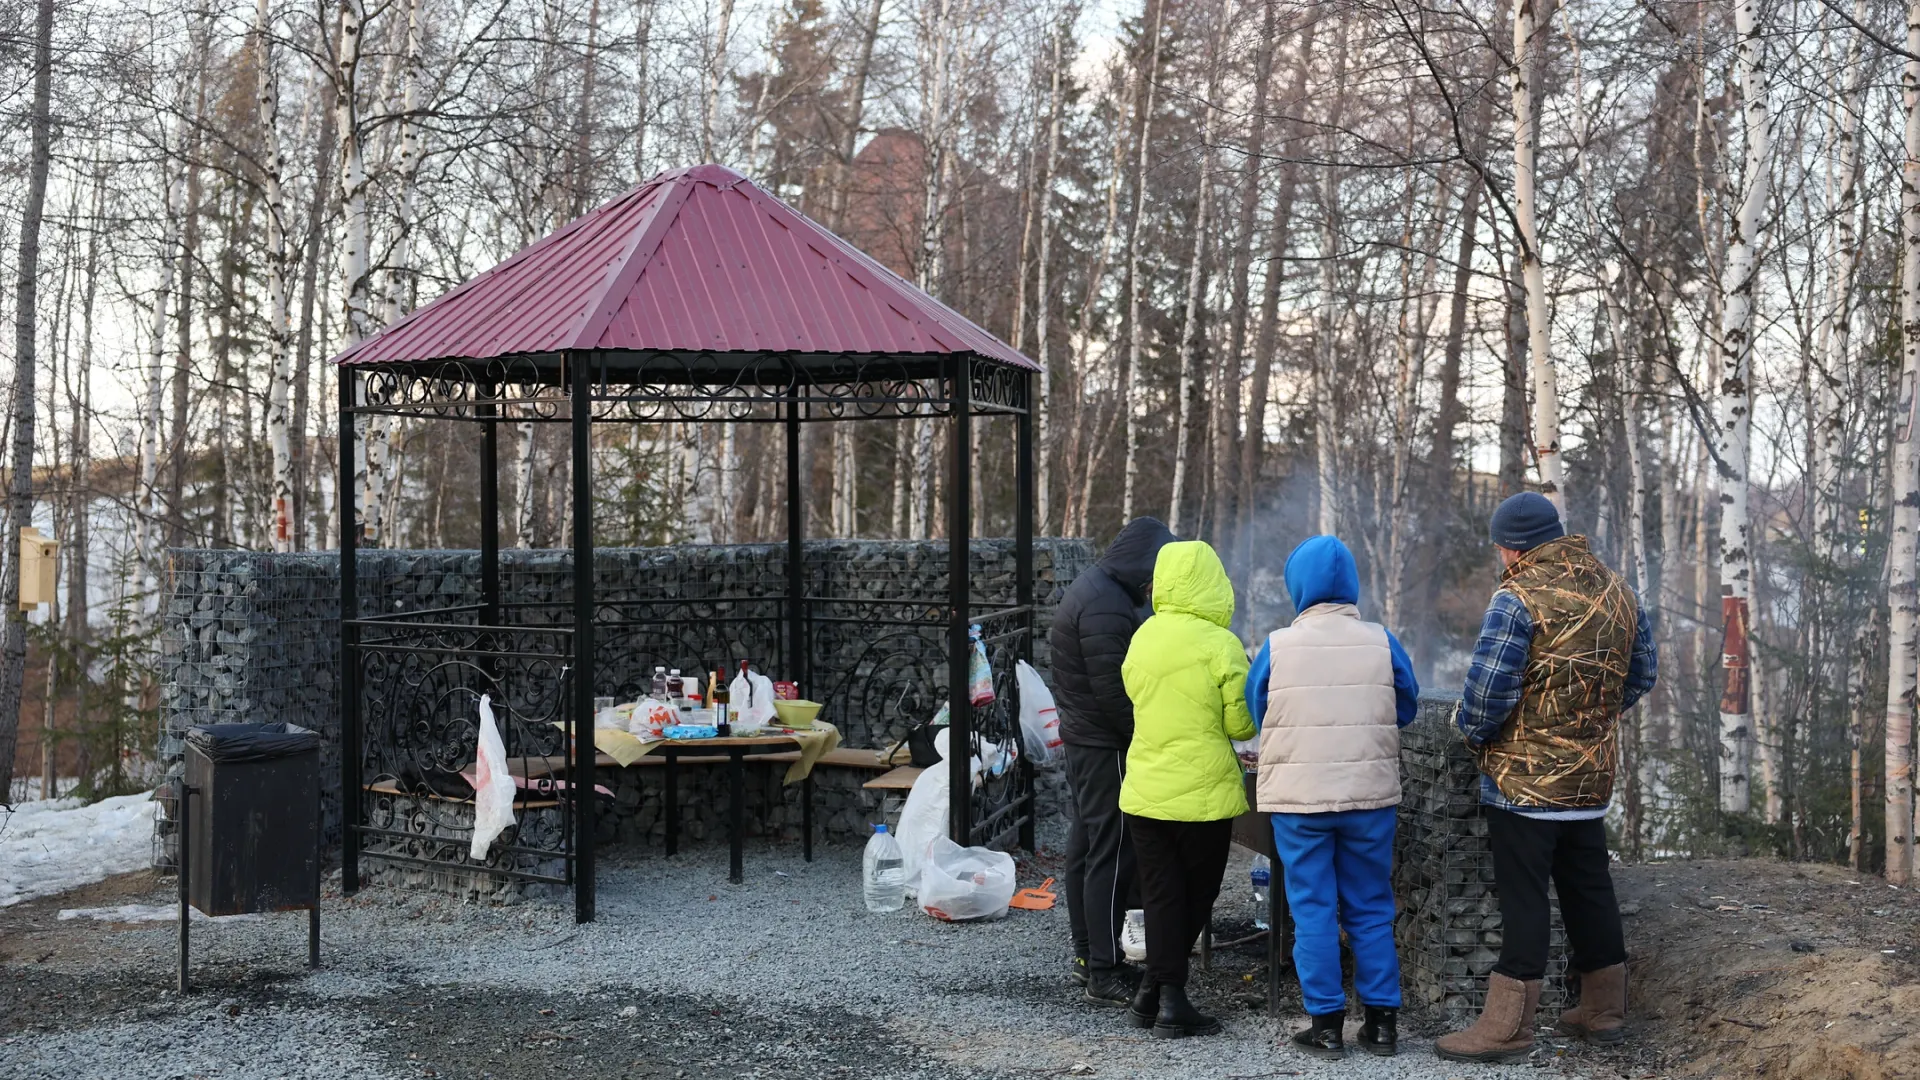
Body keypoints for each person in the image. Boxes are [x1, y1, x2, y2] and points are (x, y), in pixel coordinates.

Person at [1435, 492, 1658, 1064]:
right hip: (1590, 779)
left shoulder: (1517, 597)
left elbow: (1486, 696)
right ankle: (1603, 1011)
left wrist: (1471, 731)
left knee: (1524, 897)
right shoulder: (1617, 589)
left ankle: (1507, 1028)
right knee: (1589, 887)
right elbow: (1643, 673)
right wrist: (1587, 724)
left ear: (1512, 547)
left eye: (1500, 548)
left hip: (1525, 783)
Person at [1245, 535, 1420, 1059]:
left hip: (1300, 802)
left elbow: (1260, 712)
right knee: (1370, 906)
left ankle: (1325, 1027)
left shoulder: (1278, 645)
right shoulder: (1381, 640)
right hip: (1369, 798)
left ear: (1298, 586)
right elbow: (1405, 706)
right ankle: (1382, 1025)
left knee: (1314, 910)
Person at [1117, 539, 1256, 1039]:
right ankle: (1171, 999)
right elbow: (1241, 725)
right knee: (1198, 892)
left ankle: (1150, 993)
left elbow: (1133, 696)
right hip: (1202, 794)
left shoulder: (1143, 636)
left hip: (1146, 788)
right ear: (1214, 583)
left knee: (1160, 894)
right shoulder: (1221, 644)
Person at [1049, 516, 1178, 1006]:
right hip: (1105, 744)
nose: (1154, 584)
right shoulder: (1106, 603)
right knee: (1111, 848)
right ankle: (1103, 969)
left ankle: (1089, 955)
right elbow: (1112, 690)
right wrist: (1142, 738)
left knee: (1086, 844)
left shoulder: (1098, 588)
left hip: (1085, 739)